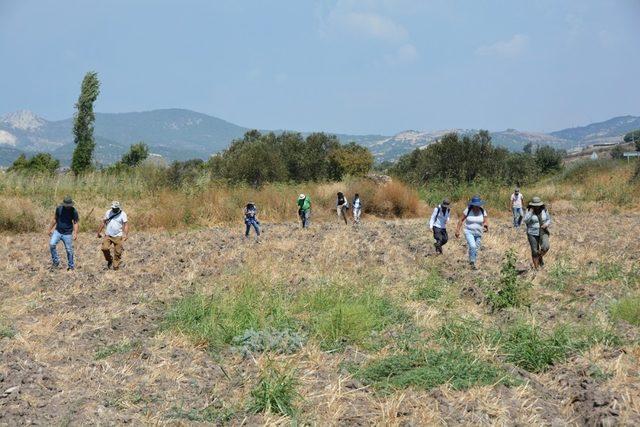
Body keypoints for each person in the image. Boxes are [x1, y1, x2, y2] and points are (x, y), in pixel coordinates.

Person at [455, 195, 489, 269]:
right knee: (472, 246)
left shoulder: (482, 211)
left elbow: (485, 221)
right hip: (468, 231)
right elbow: (461, 220)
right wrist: (457, 230)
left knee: (476, 248)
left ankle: (471, 259)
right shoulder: (468, 210)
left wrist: (486, 226)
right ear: (472, 205)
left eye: (478, 205)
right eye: (475, 205)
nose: (476, 207)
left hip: (478, 233)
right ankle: (472, 263)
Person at [48, 196, 79, 271]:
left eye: (69, 206)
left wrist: (75, 233)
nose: (68, 207)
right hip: (57, 231)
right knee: (52, 244)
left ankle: (71, 266)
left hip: (68, 233)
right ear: (64, 204)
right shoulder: (59, 209)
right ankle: (56, 262)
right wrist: (49, 229)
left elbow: (75, 222)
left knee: (69, 250)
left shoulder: (73, 211)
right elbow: (55, 219)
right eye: (66, 205)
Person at [97, 201, 129, 270]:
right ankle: (110, 260)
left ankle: (116, 266)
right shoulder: (108, 212)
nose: (113, 209)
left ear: (118, 208)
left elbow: (125, 225)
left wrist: (125, 235)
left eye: (115, 208)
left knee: (118, 252)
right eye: (113, 208)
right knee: (104, 248)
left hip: (118, 236)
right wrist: (98, 232)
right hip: (108, 235)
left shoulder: (123, 214)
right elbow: (103, 222)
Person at [523, 196, 551, 269]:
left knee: (546, 246)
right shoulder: (529, 210)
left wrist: (546, 224)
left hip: (543, 231)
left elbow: (548, 219)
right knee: (534, 251)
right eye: (535, 205)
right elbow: (525, 220)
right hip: (532, 233)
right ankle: (536, 268)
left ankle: (539, 257)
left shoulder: (544, 209)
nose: (537, 207)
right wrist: (531, 212)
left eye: (538, 205)